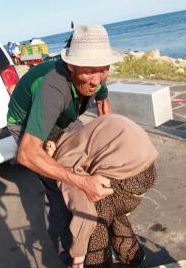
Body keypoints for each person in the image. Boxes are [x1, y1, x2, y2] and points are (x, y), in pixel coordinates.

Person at [7, 25, 122, 256]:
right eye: (90, 71)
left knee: (89, 162)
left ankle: (102, 232)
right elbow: (27, 154)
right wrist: (79, 181)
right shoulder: (53, 85)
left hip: (65, 118)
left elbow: (102, 104)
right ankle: (68, 254)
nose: (96, 80)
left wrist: (108, 149)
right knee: (60, 188)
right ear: (71, 65)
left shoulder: (95, 74)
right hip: (27, 122)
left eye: (103, 70)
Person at [45, 114, 158, 268]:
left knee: (94, 219)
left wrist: (77, 260)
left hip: (129, 180)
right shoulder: (79, 136)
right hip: (148, 169)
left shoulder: (62, 157)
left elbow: (84, 214)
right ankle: (133, 255)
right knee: (109, 202)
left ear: (49, 145)